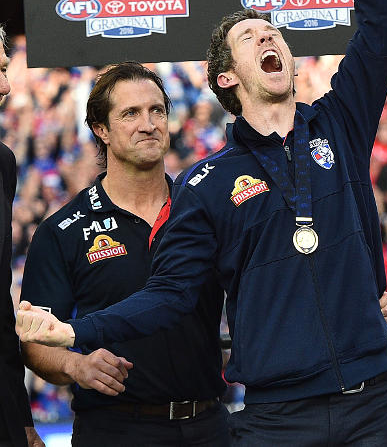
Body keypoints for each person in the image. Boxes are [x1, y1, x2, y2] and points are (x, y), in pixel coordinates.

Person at [16, 0, 387, 445]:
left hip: (374, 401)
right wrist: (76, 335)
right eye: (250, 37)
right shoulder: (205, 186)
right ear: (228, 78)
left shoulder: (340, 122)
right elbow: (168, 295)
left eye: (274, 31)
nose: (269, 36)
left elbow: (384, 22)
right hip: (279, 419)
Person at [19, 63, 229, 446]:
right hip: (115, 429)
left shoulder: (204, 210)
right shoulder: (61, 231)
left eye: (156, 111)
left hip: (209, 423)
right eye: (130, 114)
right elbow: (35, 341)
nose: (147, 124)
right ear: (101, 129)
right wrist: (76, 365)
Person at [0, 27, 43, 447]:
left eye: (4, 69)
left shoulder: (3, 162)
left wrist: (22, 418)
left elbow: (0, 309)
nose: (5, 86)